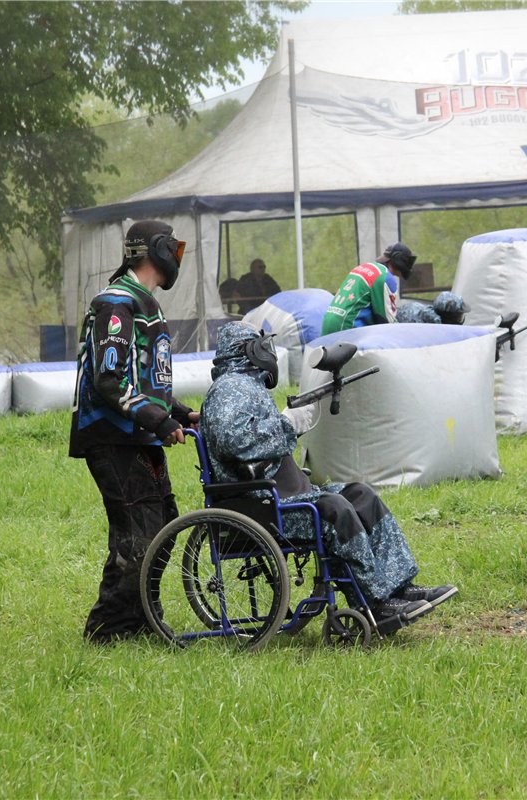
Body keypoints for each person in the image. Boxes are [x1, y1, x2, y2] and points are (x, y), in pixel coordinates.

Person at [200, 321, 457, 634]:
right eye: (262, 345)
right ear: (249, 350)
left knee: (360, 494)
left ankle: (399, 586)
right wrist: (286, 425)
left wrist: (287, 421)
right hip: (259, 505)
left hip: (278, 495)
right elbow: (233, 441)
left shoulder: (244, 386)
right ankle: (375, 602)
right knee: (335, 509)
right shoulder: (229, 389)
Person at [69, 219, 199, 644]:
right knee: (137, 536)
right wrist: (160, 421)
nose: (177, 257)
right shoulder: (117, 303)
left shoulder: (143, 302)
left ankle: (143, 617)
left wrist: (181, 413)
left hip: (137, 435)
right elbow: (110, 382)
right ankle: (108, 628)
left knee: (162, 524)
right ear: (156, 250)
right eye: (173, 248)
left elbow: (145, 380)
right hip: (113, 438)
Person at [320, 242, 417, 335]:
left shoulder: (362, 267)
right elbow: (386, 320)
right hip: (348, 328)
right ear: (398, 260)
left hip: (328, 324)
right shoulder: (384, 277)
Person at [396, 291, 468, 325]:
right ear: (450, 317)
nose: (460, 319)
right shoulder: (434, 327)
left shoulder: (428, 314)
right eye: (459, 316)